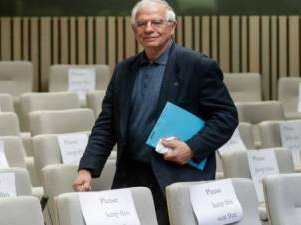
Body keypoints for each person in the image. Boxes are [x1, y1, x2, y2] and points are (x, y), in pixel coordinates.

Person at [73, 0, 238, 224]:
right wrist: (87, 168)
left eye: (156, 22)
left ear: (172, 26)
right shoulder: (124, 70)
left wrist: (191, 148)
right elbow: (107, 124)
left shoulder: (197, 66)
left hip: (177, 175)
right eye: (141, 24)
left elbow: (226, 117)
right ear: (134, 30)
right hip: (131, 176)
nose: (148, 28)